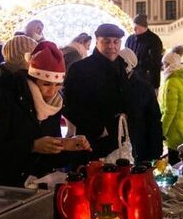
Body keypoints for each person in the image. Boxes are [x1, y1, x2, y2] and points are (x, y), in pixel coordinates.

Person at [0, 42, 91, 187]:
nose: (52, 92)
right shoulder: (7, 94)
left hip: (22, 183)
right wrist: (32, 146)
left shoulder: (54, 104)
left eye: (57, 85)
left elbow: (46, 159)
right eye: (46, 84)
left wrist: (67, 147)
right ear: (33, 79)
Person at [63, 23, 130, 158]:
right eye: (106, 41)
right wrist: (99, 129)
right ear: (97, 42)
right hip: (91, 142)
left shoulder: (123, 66)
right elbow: (69, 105)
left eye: (116, 42)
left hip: (120, 140)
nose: (112, 46)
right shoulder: (80, 69)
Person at [118, 48, 164, 163]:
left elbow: (154, 120)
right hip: (119, 147)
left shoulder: (143, 87)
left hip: (139, 148)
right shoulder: (113, 84)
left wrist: (155, 152)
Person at [160, 53, 183, 164]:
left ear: (169, 65)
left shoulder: (171, 82)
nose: (163, 67)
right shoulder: (181, 79)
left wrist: (162, 131)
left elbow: (169, 111)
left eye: (165, 64)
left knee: (176, 168)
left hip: (175, 132)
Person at [125, 14, 164, 89]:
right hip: (131, 79)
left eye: (136, 26)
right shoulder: (130, 39)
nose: (134, 29)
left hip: (147, 80)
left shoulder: (154, 40)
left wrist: (155, 85)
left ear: (143, 26)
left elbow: (155, 63)